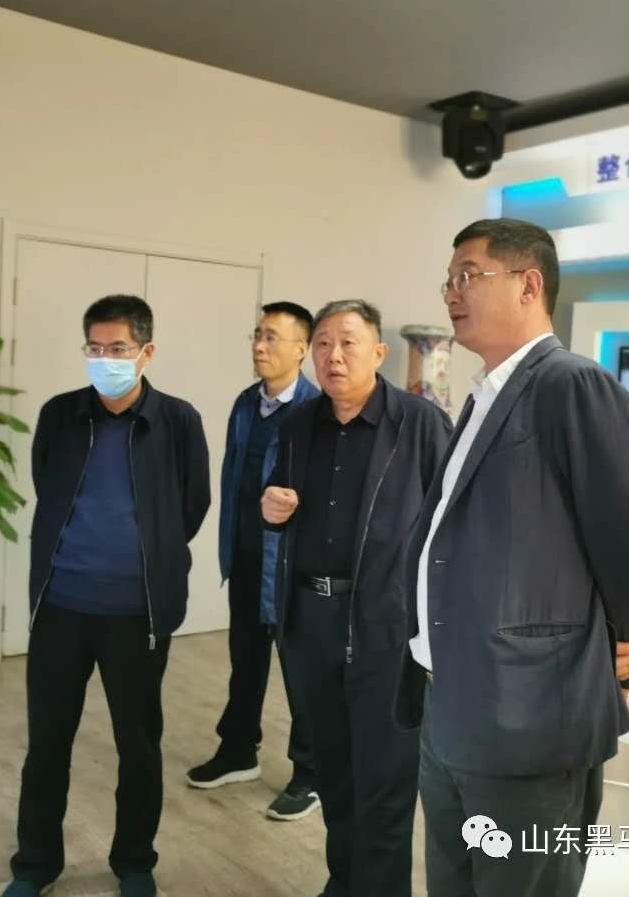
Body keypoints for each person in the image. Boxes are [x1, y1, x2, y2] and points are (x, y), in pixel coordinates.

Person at [395, 218, 629, 897]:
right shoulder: (486, 396)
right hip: (451, 699)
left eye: (469, 276)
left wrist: (625, 648)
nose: (452, 292)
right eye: (448, 279)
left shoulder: (572, 385)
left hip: (529, 711)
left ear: (528, 285)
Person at [5, 295, 210, 897]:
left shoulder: (178, 420)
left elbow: (191, 505)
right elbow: (47, 485)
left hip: (136, 613)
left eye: (118, 349)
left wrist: (148, 553)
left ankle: (134, 862)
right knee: (47, 743)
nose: (105, 359)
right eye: (94, 348)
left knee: (138, 745)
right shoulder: (61, 415)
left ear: (147, 352)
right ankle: (35, 865)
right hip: (61, 605)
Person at [262, 299, 453, 897]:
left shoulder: (419, 424)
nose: (334, 356)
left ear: (379, 352)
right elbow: (277, 504)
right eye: (322, 344)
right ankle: (342, 883)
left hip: (385, 625)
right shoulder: (298, 424)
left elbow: (453, 525)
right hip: (310, 622)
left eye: (348, 342)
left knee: (385, 782)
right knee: (335, 774)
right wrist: (270, 511)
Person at [186, 301, 322, 821]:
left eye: (272, 337)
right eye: (257, 335)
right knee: (245, 662)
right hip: (244, 554)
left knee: (300, 670)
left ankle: (310, 772)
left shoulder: (315, 411)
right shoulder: (246, 403)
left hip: (291, 564)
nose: (260, 346)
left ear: (301, 349)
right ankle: (238, 750)